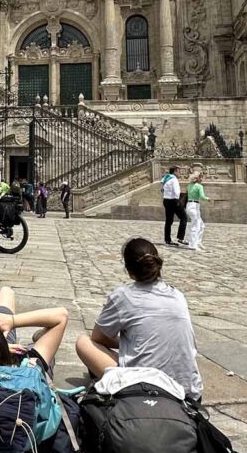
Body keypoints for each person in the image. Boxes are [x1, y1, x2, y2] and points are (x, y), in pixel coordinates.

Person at [75, 237, 203, 400]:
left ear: (129, 270)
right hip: (188, 392)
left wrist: (126, 343)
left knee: (83, 342)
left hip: (143, 390)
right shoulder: (178, 295)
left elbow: (98, 337)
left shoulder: (123, 296)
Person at [0, 287, 69, 374]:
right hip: (22, 366)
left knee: (6, 292)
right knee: (6, 291)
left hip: (1, 354)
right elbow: (61, 316)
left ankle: (39, 337)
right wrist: (12, 321)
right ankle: (39, 337)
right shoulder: (32, 368)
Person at [161, 165, 188, 247]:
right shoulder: (174, 179)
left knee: (169, 221)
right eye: (179, 171)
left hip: (166, 200)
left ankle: (167, 240)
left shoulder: (166, 178)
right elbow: (177, 191)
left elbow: (162, 188)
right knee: (184, 218)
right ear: (175, 171)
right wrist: (178, 201)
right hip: (174, 200)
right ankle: (181, 238)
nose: (180, 173)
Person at [185, 168, 208, 251]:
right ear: (198, 178)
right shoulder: (199, 186)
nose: (202, 178)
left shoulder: (189, 185)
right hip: (194, 206)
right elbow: (202, 196)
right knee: (196, 225)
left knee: (201, 225)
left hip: (190, 205)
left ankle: (198, 242)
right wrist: (208, 198)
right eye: (201, 177)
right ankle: (193, 245)